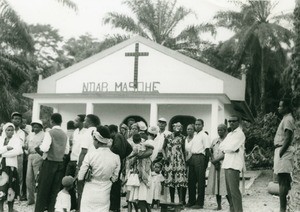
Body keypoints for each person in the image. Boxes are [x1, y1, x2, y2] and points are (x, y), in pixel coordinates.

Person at [78, 126, 120, 212]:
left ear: (96, 139)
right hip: (105, 192)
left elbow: (80, 176)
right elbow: (115, 177)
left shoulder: (90, 155)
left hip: (90, 190)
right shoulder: (116, 157)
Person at [34, 113, 69, 212]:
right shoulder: (64, 134)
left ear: (51, 121)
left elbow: (45, 148)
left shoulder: (49, 133)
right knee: (55, 191)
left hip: (49, 163)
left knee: (42, 190)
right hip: (60, 164)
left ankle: (39, 210)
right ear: (61, 122)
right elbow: (66, 151)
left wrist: (39, 147)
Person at [273, 99, 296, 212]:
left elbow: (288, 138)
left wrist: (281, 152)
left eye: (280, 106)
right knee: (285, 180)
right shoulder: (285, 118)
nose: (278, 108)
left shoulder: (288, 119)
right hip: (282, 150)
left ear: (286, 107)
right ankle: (288, 206)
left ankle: (282, 209)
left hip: (284, 151)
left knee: (282, 181)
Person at [219, 115, 245, 212]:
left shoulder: (240, 134)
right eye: (230, 121)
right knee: (229, 193)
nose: (231, 123)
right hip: (227, 164)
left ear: (238, 122)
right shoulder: (230, 134)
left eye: (234, 121)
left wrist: (229, 148)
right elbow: (221, 146)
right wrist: (229, 149)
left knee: (234, 192)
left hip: (234, 165)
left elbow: (233, 147)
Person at [186, 119, 211, 209]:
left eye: (199, 124)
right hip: (193, 157)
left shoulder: (204, 135)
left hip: (200, 157)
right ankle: (191, 201)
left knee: (200, 182)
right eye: (196, 124)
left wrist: (205, 163)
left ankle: (200, 203)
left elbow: (207, 150)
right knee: (191, 181)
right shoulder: (195, 135)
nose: (197, 126)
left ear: (202, 125)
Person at [77, 114, 100, 209]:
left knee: (81, 188)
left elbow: (83, 151)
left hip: (87, 163)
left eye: (85, 120)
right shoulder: (98, 131)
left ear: (90, 122)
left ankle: (81, 208)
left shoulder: (87, 133)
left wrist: (79, 167)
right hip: (97, 162)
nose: (83, 122)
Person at [108, 124, 133, 212]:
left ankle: (114, 206)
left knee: (114, 184)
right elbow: (129, 148)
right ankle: (116, 206)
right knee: (117, 184)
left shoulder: (117, 136)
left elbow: (117, 148)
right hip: (120, 161)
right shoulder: (121, 136)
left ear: (112, 132)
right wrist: (123, 156)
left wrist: (109, 152)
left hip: (115, 162)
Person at [126, 133, 153, 212]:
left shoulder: (142, 146)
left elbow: (150, 151)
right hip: (141, 173)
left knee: (142, 196)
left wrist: (137, 156)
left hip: (143, 172)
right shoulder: (141, 146)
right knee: (142, 196)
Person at [162, 122, 187, 205]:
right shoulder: (168, 136)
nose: (178, 129)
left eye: (179, 127)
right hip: (170, 160)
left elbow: (183, 150)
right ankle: (172, 201)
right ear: (173, 128)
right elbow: (163, 148)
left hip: (179, 160)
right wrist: (165, 157)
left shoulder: (183, 137)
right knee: (171, 181)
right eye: (176, 127)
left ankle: (180, 201)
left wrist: (184, 161)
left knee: (180, 181)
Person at [0, 123, 23, 212]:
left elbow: (18, 151)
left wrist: (2, 153)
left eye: (12, 130)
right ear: (4, 131)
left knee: (11, 187)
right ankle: (1, 209)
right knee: (1, 188)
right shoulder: (1, 139)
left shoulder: (16, 140)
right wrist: (6, 148)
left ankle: (10, 209)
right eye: (8, 130)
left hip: (11, 167)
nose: (10, 132)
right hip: (2, 167)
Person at [65, 115, 86, 210]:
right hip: (71, 160)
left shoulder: (86, 132)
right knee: (67, 183)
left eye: (76, 121)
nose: (74, 122)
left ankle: (79, 207)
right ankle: (73, 204)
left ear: (82, 122)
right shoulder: (75, 132)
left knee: (80, 185)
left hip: (81, 162)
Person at [206, 124, 228, 210]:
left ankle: (232, 205)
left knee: (225, 185)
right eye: (218, 130)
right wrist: (213, 160)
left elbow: (226, 153)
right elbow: (210, 150)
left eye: (221, 130)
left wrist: (216, 160)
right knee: (216, 185)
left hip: (224, 165)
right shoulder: (215, 141)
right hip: (215, 166)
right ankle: (219, 205)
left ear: (225, 130)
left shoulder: (228, 141)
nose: (219, 132)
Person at [25, 120, 45, 205]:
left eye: (37, 126)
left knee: (38, 179)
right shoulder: (30, 135)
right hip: (30, 156)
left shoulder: (44, 135)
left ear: (41, 127)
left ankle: (40, 201)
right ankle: (30, 199)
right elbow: (26, 145)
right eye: (34, 126)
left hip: (39, 156)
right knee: (29, 179)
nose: (35, 127)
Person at [11, 112, 26, 201]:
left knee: (19, 175)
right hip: (10, 155)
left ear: (20, 121)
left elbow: (22, 144)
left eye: (18, 119)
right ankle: (7, 194)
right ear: (12, 120)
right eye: (15, 118)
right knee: (8, 174)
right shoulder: (8, 130)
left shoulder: (22, 132)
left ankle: (19, 195)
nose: (17, 120)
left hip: (19, 156)